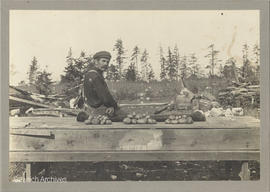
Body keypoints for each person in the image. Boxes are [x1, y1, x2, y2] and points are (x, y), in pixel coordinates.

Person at [76, 51, 119, 121]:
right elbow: (104, 95)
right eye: (103, 61)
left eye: (107, 62)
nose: (106, 64)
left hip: (90, 108)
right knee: (125, 116)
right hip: (99, 110)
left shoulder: (89, 73)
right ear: (96, 61)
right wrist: (113, 106)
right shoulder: (95, 76)